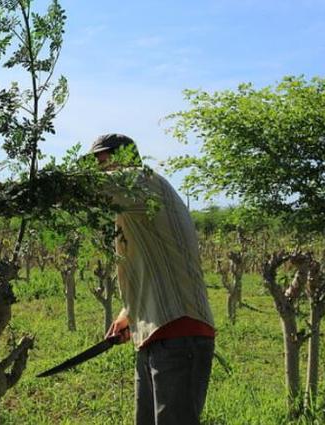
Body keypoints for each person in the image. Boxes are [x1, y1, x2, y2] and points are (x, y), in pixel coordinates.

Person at [94, 133, 215, 425]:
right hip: (157, 334)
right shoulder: (133, 204)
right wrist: (129, 314)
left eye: (103, 162)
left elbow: (85, 189)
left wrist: (17, 193)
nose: (100, 171)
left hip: (179, 330)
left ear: (124, 158)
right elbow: (150, 264)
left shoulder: (140, 181)